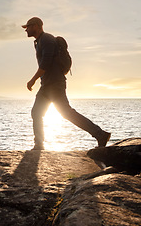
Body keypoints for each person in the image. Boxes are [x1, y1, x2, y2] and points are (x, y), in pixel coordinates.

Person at [22, 17, 111, 150]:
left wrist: (32, 80)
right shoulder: (39, 41)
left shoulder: (46, 39)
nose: (26, 30)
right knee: (36, 112)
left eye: (28, 27)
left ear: (36, 26)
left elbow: (45, 64)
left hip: (55, 85)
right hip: (47, 85)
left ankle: (100, 134)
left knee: (66, 113)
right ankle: (39, 144)